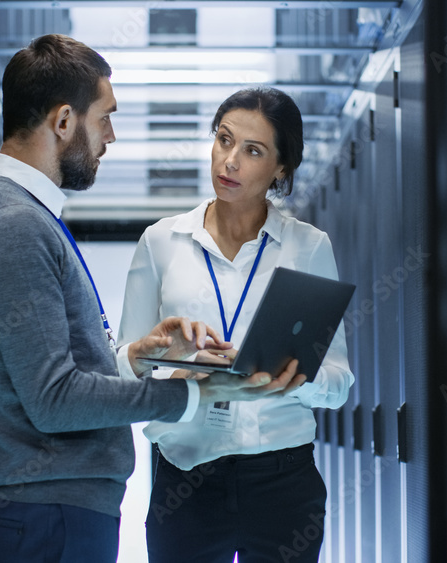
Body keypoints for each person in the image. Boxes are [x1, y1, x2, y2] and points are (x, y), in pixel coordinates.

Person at [0, 36, 305, 563]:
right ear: (64, 122)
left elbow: (49, 377)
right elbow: (54, 400)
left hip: (58, 509)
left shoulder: (17, 213)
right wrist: (193, 396)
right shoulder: (15, 225)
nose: (111, 136)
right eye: (105, 117)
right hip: (54, 513)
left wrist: (137, 357)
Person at [117, 87, 355, 563]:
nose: (229, 161)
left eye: (253, 151)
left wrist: (294, 381)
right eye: (224, 140)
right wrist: (169, 370)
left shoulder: (307, 247)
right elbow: (122, 368)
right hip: (184, 476)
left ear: (281, 168)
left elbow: (339, 382)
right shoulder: (161, 241)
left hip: (282, 482)